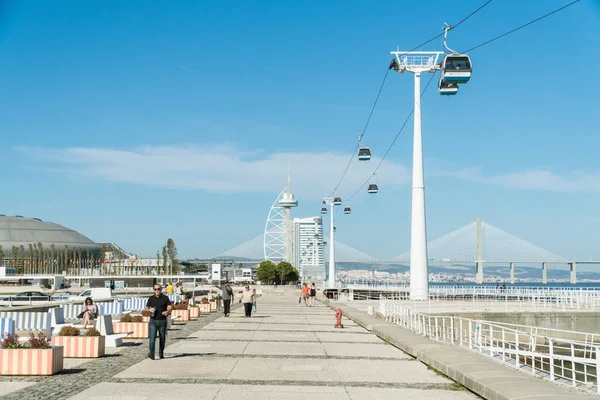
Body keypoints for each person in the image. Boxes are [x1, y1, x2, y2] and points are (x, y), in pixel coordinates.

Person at [146, 284, 173, 360]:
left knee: (162, 338)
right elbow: (146, 308)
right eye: (155, 289)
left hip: (162, 321)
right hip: (153, 321)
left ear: (161, 289)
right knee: (152, 339)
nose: (157, 291)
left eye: (158, 289)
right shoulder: (151, 298)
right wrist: (149, 310)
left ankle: (161, 353)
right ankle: (152, 353)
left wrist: (167, 311)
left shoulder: (165, 298)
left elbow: (170, 306)